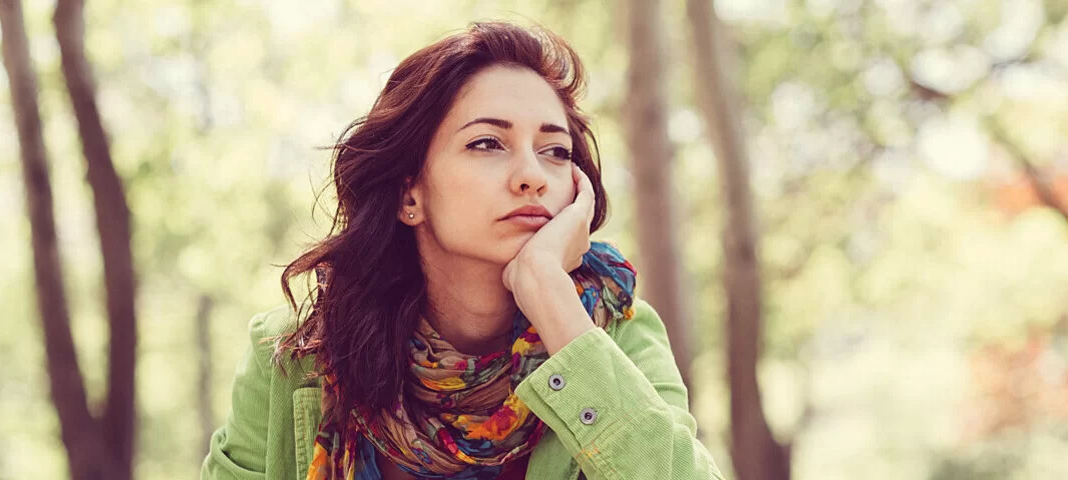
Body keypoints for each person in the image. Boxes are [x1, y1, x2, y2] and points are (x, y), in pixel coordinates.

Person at [201, 21, 724, 480]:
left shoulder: (614, 335)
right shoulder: (293, 358)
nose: (532, 177)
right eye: (487, 144)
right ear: (411, 194)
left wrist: (552, 296)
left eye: (556, 152)